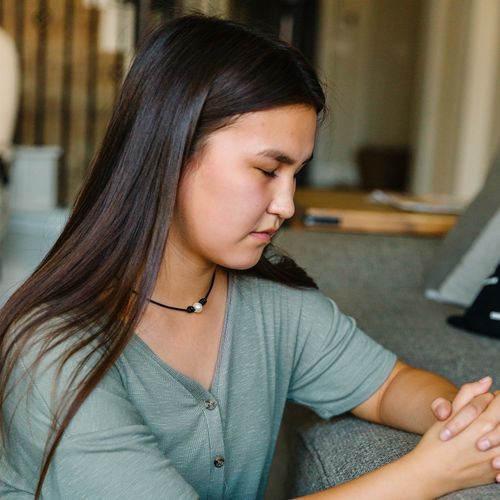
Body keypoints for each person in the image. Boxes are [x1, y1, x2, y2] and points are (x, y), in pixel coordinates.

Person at [1, 14, 500, 500]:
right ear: (171, 152)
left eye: (296, 173)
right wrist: (429, 475)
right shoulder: (54, 354)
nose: (287, 205)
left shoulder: (273, 303)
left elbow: (390, 385)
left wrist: (469, 419)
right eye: (267, 170)